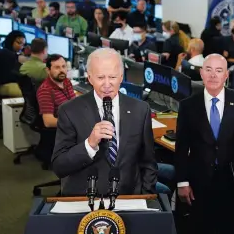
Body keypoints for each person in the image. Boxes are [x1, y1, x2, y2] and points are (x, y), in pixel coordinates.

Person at [175, 54, 234, 234]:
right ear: (201, 73)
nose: (213, 75)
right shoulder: (188, 105)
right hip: (198, 180)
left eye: (219, 70)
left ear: (226, 76)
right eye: (209, 70)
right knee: (200, 233)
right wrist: (182, 181)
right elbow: (181, 147)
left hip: (230, 178)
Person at [52, 48, 157, 196]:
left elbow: (148, 162)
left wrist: (146, 197)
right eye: (101, 77)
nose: (107, 84)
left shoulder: (141, 109)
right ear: (89, 78)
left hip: (128, 199)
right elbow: (59, 166)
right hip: (85, 201)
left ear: (121, 77)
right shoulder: (69, 111)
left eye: (112, 77)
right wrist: (89, 144)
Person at [36, 54, 76, 169]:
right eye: (57, 67)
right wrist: (72, 122)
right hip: (61, 131)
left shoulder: (66, 81)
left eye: (64, 66)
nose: (62, 70)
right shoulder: (45, 90)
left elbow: (73, 103)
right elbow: (48, 122)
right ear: (48, 70)